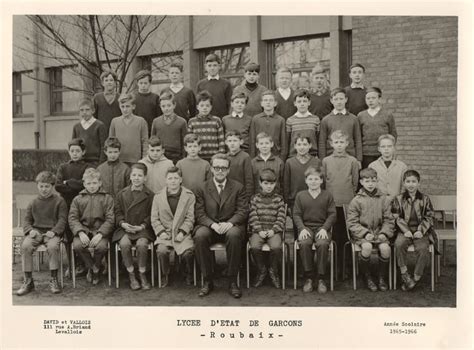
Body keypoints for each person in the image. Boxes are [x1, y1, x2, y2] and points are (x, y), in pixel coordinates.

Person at [194, 153, 248, 298]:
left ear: (228, 170)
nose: (220, 171)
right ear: (211, 169)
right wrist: (212, 225)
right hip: (210, 226)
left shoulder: (238, 187)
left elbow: (242, 211)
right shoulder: (202, 187)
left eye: (223, 168)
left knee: (235, 234)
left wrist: (230, 223)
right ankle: (207, 280)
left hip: (230, 225)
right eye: (216, 167)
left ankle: (232, 281)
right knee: (200, 235)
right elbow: (199, 213)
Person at [16, 171, 68, 296]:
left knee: (52, 247)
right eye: (41, 186)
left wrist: (54, 231)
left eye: (47, 186)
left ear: (52, 186)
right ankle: (28, 281)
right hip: (36, 232)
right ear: (37, 186)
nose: (44, 189)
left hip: (51, 233)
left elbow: (62, 220)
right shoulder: (33, 202)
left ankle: (54, 279)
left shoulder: (59, 201)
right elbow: (27, 220)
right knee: (25, 246)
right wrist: (30, 230)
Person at [346, 168, 394, 292]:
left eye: (373, 181)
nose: (370, 184)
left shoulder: (384, 199)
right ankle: (367, 277)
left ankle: (381, 277)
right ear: (361, 182)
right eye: (367, 181)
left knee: (385, 248)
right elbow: (352, 222)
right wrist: (365, 233)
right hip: (362, 235)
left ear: (377, 181)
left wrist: (384, 233)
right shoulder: (356, 201)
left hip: (379, 232)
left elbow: (389, 220)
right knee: (366, 247)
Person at [321, 130, 359, 278]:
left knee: (347, 236)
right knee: (335, 236)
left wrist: (349, 199)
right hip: (332, 204)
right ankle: (335, 267)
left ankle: (347, 267)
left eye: (342, 142)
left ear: (347, 144)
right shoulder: (326, 161)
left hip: (347, 204)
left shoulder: (353, 161)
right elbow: (323, 183)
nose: (339, 145)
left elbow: (355, 183)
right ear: (331, 144)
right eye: (336, 142)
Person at [392, 170, 437, 291]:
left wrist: (421, 230)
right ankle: (404, 273)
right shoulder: (398, 198)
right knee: (399, 244)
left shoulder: (425, 199)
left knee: (423, 249)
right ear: (404, 183)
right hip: (404, 230)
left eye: (414, 181)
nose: (411, 184)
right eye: (408, 181)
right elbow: (396, 217)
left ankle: (416, 277)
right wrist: (405, 229)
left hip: (420, 230)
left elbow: (429, 216)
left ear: (418, 183)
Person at [293, 167, 337, 293]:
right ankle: (309, 277)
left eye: (316, 179)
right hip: (306, 227)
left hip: (322, 228)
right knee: (304, 243)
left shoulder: (327, 195)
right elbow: (296, 214)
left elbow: (332, 214)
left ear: (321, 181)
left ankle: (321, 277)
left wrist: (324, 229)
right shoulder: (300, 195)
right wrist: (301, 228)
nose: (313, 182)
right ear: (306, 181)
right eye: (310, 179)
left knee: (322, 244)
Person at [68, 168, 115, 286]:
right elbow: (73, 218)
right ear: (84, 184)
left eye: (94, 183)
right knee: (78, 245)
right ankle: (93, 268)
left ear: (100, 183)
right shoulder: (78, 199)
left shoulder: (107, 198)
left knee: (101, 247)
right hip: (83, 230)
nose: (92, 186)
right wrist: (80, 232)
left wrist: (100, 234)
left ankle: (97, 265)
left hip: (100, 231)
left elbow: (110, 219)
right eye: (88, 183)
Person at [112, 163, 155, 290]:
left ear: (145, 178)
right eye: (134, 175)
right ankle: (131, 275)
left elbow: (152, 214)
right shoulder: (121, 194)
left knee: (142, 245)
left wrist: (143, 225)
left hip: (142, 229)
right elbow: (117, 212)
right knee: (124, 244)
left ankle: (142, 274)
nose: (136, 178)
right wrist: (122, 223)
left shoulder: (150, 195)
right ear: (130, 177)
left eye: (140, 175)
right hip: (125, 228)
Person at [152, 166, 196, 287]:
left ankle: (187, 272)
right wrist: (161, 233)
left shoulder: (189, 196)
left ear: (181, 179)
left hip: (182, 233)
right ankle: (165, 273)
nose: (173, 181)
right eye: (170, 178)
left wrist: (182, 232)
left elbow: (190, 217)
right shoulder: (158, 196)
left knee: (188, 252)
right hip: (165, 233)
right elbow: (154, 218)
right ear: (165, 180)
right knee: (162, 251)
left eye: (176, 178)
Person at [248, 169, 286, 289]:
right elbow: (252, 216)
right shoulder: (255, 199)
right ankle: (261, 270)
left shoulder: (279, 199)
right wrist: (259, 230)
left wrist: (273, 230)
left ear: (275, 184)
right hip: (258, 231)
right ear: (260, 183)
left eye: (271, 184)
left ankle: (273, 270)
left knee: (276, 247)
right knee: (254, 247)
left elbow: (281, 218)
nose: (269, 186)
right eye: (266, 183)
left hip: (273, 231)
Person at [318, 87, 363, 163]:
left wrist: (359, 159)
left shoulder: (353, 119)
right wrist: (322, 159)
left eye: (341, 99)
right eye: (336, 99)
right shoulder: (326, 120)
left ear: (346, 99)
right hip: (331, 157)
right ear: (331, 101)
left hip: (350, 156)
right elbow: (322, 142)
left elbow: (358, 140)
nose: (339, 102)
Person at [357, 87, 398, 168]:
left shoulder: (387, 115)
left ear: (379, 99)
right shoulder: (361, 115)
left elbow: (393, 134)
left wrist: (389, 149)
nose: (370, 100)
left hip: (383, 153)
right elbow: (358, 136)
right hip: (366, 154)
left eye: (373, 98)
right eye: (368, 98)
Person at [283, 135, 321, 218]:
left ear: (310, 145)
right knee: (298, 227)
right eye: (299, 144)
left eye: (304, 144)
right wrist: (287, 203)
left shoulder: (316, 162)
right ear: (295, 146)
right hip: (295, 201)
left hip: (313, 200)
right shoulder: (289, 162)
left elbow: (321, 183)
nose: (302, 147)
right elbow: (286, 184)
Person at [109, 93, 148, 165]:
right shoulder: (115, 121)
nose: (125, 109)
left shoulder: (141, 121)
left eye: (127, 106)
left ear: (133, 106)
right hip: (119, 160)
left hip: (136, 160)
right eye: (122, 106)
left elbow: (145, 141)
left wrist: (144, 159)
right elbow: (111, 142)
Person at [187, 90, 225, 162]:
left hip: (214, 157)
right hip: (198, 157)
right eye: (202, 105)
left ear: (211, 107)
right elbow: (189, 141)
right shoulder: (192, 122)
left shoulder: (217, 121)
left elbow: (221, 140)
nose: (204, 108)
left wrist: (220, 155)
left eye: (207, 105)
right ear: (197, 107)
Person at [151, 91, 188, 163]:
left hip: (177, 157)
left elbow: (185, 143)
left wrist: (183, 159)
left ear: (174, 105)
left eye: (169, 105)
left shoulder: (182, 122)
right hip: (160, 156)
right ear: (160, 106)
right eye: (163, 106)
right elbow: (153, 141)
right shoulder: (156, 122)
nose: (166, 108)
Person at [249, 90, 287, 160]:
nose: (268, 102)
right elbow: (252, 140)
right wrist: (253, 158)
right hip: (259, 157)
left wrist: (282, 159)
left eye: (271, 100)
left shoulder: (280, 120)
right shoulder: (256, 119)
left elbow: (283, 142)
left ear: (275, 103)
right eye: (265, 100)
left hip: (276, 157)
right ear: (261, 103)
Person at [369, 134, 407, 199]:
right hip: (378, 202)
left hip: (396, 202)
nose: (386, 149)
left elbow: (404, 187)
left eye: (389, 146)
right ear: (379, 149)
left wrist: (400, 200)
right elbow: (370, 185)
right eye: (383, 146)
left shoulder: (402, 166)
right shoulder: (372, 166)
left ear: (394, 148)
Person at [72, 98, 107, 166]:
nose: (84, 112)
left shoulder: (99, 125)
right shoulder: (76, 127)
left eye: (87, 110)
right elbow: (73, 146)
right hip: (80, 162)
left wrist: (101, 164)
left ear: (93, 110)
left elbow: (104, 146)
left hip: (95, 162)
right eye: (81, 110)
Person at [286, 89, 320, 158]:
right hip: (294, 157)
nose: (302, 104)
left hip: (312, 156)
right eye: (299, 101)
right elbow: (288, 140)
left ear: (309, 102)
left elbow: (318, 139)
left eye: (304, 101)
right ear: (295, 103)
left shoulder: (315, 120)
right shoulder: (290, 121)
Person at [196, 53, 232, 118]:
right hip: (205, 120)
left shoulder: (226, 84)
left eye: (215, 65)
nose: (212, 68)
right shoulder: (201, 84)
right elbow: (198, 104)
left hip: (222, 119)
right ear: (205, 67)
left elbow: (230, 104)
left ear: (219, 66)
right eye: (209, 66)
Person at [225, 130, 254, 200]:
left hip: (241, 194)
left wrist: (247, 197)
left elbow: (249, 179)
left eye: (235, 141)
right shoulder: (225, 157)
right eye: (230, 141)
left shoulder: (245, 157)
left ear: (241, 142)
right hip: (227, 194)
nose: (232, 143)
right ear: (226, 142)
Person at [133, 70, 161, 136]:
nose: (143, 85)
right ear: (137, 83)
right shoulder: (133, 98)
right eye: (141, 83)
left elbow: (159, 116)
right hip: (136, 131)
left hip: (151, 131)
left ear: (150, 83)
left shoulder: (156, 98)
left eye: (145, 83)